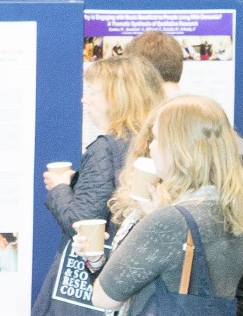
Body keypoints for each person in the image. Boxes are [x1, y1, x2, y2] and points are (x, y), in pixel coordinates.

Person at [87, 95, 243, 316]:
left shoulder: (169, 220)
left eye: (156, 137)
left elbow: (103, 297)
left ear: (178, 147)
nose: (151, 146)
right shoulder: (234, 211)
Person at [37, 57, 162, 315]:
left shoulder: (105, 148)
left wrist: (60, 187)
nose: (85, 100)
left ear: (117, 98)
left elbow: (82, 222)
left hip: (95, 281)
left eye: (93, 92)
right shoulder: (154, 143)